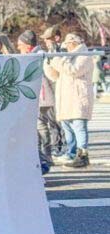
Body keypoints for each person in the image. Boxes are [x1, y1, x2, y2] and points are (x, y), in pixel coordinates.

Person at [45, 32, 96, 169]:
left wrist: (58, 59)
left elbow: (73, 70)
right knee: (67, 127)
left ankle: (82, 154)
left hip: (78, 97)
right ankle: (71, 153)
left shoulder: (84, 55)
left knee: (79, 126)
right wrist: (50, 60)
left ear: (74, 43)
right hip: (66, 97)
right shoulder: (66, 57)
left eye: (67, 43)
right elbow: (54, 75)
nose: (66, 46)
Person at [18, 30, 58, 174]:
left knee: (41, 126)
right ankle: (43, 156)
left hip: (41, 96)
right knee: (38, 126)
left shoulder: (38, 55)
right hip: (37, 96)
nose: (18, 47)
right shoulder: (31, 54)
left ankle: (45, 155)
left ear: (27, 45)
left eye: (20, 45)